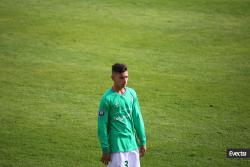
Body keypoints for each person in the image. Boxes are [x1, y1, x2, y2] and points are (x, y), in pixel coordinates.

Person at [98, 63, 147, 167]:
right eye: (121, 78)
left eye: (126, 77)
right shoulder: (107, 99)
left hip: (132, 145)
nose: (125, 81)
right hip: (117, 147)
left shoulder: (132, 94)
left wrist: (142, 141)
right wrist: (105, 149)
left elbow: (137, 118)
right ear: (113, 78)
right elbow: (102, 126)